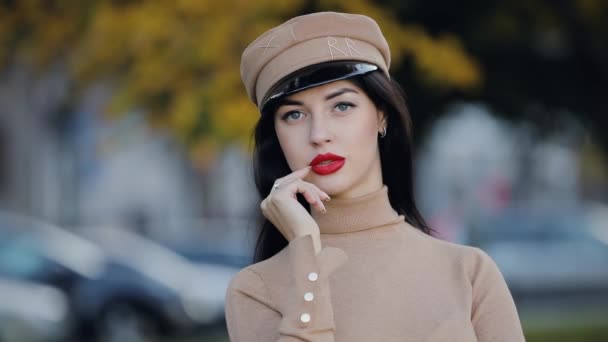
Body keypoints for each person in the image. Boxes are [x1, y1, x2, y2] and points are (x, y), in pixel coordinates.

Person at [225, 11, 525, 342]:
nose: (319, 134)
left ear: (382, 116)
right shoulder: (256, 289)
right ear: (277, 137)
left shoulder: (468, 272)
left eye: (341, 106)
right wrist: (307, 254)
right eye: (294, 114)